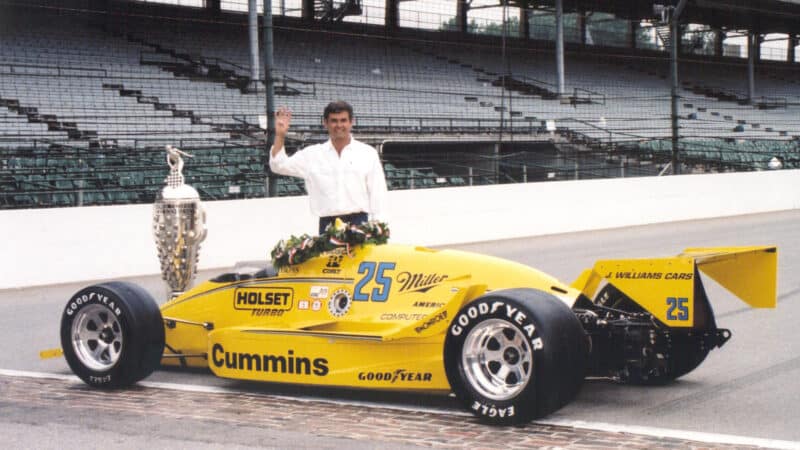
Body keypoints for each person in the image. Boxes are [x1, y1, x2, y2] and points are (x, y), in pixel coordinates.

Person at [269, 101, 388, 234]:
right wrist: (280, 135)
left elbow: (378, 192)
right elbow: (278, 165)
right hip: (327, 227)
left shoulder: (367, 153)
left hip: (360, 224)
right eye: (334, 121)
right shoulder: (312, 154)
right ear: (325, 123)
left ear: (351, 122)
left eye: (343, 120)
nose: (339, 125)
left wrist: (378, 226)